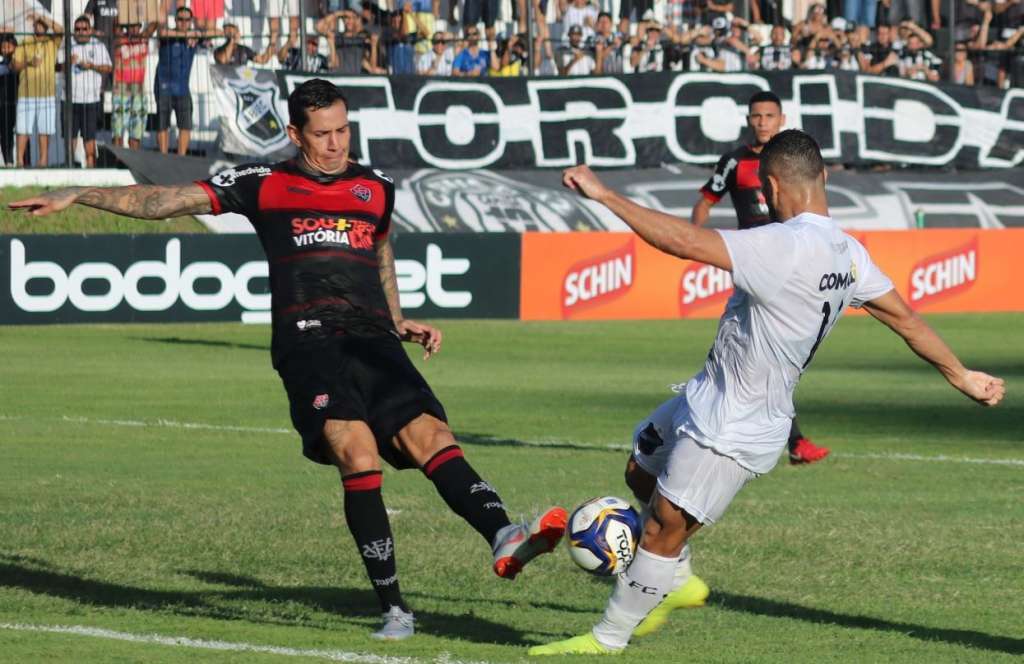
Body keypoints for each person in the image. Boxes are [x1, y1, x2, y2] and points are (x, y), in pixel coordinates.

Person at [11, 78, 568, 643]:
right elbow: (163, 201)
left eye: (343, 130)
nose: (335, 144)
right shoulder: (264, 182)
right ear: (295, 134)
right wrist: (80, 193)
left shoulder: (374, 186)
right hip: (308, 341)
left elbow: (379, 250)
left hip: (372, 337)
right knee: (357, 450)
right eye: (322, 134)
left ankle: (504, 534)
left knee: (430, 435)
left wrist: (397, 320)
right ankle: (395, 606)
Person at [529, 130, 1005, 656]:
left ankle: (608, 638)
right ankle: (676, 578)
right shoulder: (849, 253)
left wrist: (605, 196)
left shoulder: (783, 243)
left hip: (734, 425)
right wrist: (960, 374)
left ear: (771, 186)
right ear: (823, 177)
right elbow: (907, 319)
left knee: (664, 527)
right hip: (706, 395)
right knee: (640, 468)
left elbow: (683, 242)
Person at [691, 92, 831, 466]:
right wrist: (694, 240)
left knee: (765, 355)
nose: (762, 122)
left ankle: (719, 421)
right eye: (756, 116)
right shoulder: (736, 162)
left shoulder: (793, 160)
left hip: (792, 261)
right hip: (756, 263)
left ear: (781, 118)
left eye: (769, 115)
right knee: (770, 354)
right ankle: (790, 440)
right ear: (749, 119)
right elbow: (705, 200)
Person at [155, 6, 216, 156]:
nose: (183, 22)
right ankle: (163, 158)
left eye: (187, 20)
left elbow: (217, 33)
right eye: (180, 19)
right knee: (162, 125)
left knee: (186, 125)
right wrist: (189, 34)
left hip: (182, 88)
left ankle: (180, 158)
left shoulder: (193, 36)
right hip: (164, 87)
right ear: (175, 20)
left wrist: (197, 33)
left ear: (191, 21)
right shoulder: (168, 34)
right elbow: (161, 32)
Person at [12, 14, 62, 167]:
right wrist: (29, 62)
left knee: (45, 130)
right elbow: (14, 65)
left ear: (46, 26)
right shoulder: (24, 42)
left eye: (43, 24)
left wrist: (42, 16)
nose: (40, 26)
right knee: (22, 130)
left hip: (47, 94)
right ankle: (19, 162)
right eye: (37, 24)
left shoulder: (52, 42)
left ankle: (43, 162)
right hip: (26, 94)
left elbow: (60, 30)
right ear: (33, 26)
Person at [64, 16, 113, 168]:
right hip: (70, 99)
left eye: (84, 29)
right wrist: (68, 62)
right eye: (77, 29)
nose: (81, 32)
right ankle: (69, 168)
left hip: (91, 99)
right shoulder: (67, 45)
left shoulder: (98, 45)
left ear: (90, 30)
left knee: (90, 138)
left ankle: (91, 169)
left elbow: (108, 67)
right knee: (69, 137)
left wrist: (91, 66)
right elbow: (56, 67)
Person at [112, 21, 155, 150]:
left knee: (136, 133)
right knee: (117, 131)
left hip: (139, 91)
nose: (134, 29)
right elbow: (115, 25)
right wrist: (124, 10)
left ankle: (133, 162)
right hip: (121, 90)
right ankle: (117, 163)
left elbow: (154, 24)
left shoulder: (143, 38)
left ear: (140, 27)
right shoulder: (120, 39)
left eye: (136, 25)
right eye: (130, 25)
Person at [0, 33, 17, 167]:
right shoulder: (3, 63)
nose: (6, 50)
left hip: (13, 103)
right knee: (5, 133)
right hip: (2, 103)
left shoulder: (18, 61)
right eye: (3, 47)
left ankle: (11, 161)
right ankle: (8, 161)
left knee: (10, 134)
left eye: (8, 47)